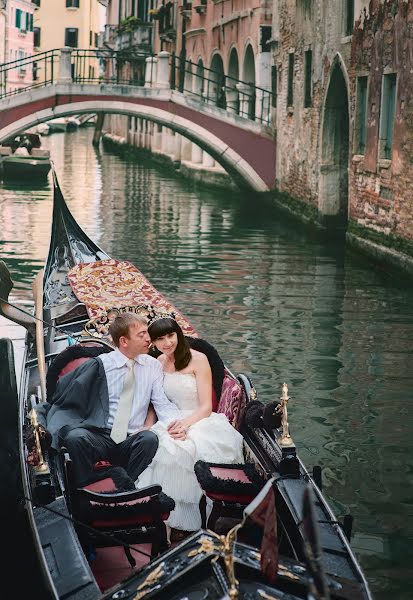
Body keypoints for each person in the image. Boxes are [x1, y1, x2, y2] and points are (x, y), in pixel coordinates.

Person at [34, 312, 182, 487]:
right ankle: (86, 485)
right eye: (141, 335)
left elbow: (161, 403)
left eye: (146, 333)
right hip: (101, 435)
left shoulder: (153, 366)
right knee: (75, 437)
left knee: (149, 439)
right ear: (124, 341)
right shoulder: (101, 364)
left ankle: (126, 485)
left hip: (132, 438)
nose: (148, 339)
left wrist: (178, 423)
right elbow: (67, 396)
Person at [138, 316, 245, 533]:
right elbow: (153, 401)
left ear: (178, 334)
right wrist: (149, 425)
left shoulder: (199, 359)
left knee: (185, 450)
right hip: (169, 418)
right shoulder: (158, 363)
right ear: (154, 343)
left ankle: (194, 521)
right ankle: (166, 519)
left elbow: (206, 407)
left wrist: (186, 425)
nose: (167, 343)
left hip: (200, 419)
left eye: (170, 335)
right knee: (156, 446)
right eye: (160, 339)